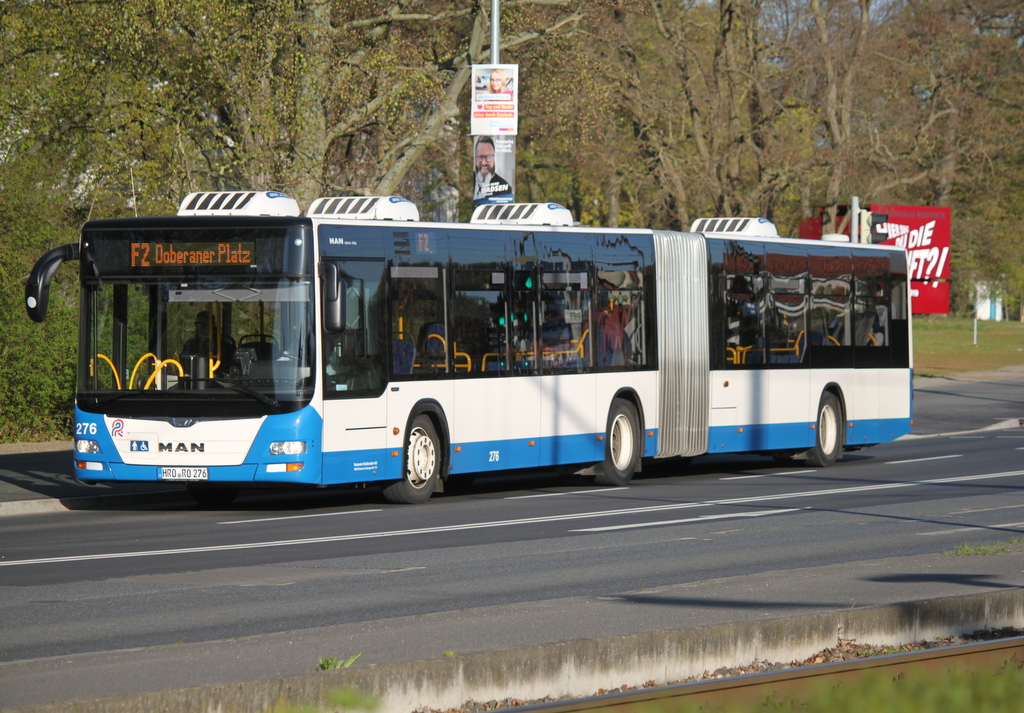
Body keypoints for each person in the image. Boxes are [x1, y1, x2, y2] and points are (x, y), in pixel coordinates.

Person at [181, 310, 234, 375]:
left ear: (212, 325)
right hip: (193, 380)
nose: (200, 327)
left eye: (203, 324)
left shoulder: (223, 346)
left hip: (217, 382)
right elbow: (185, 365)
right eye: (197, 324)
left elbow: (226, 369)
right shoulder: (189, 344)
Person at [473, 136, 512, 203]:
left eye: (489, 157)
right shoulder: (469, 181)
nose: (484, 162)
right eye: (480, 157)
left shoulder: (505, 187)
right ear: (475, 158)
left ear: (494, 158)